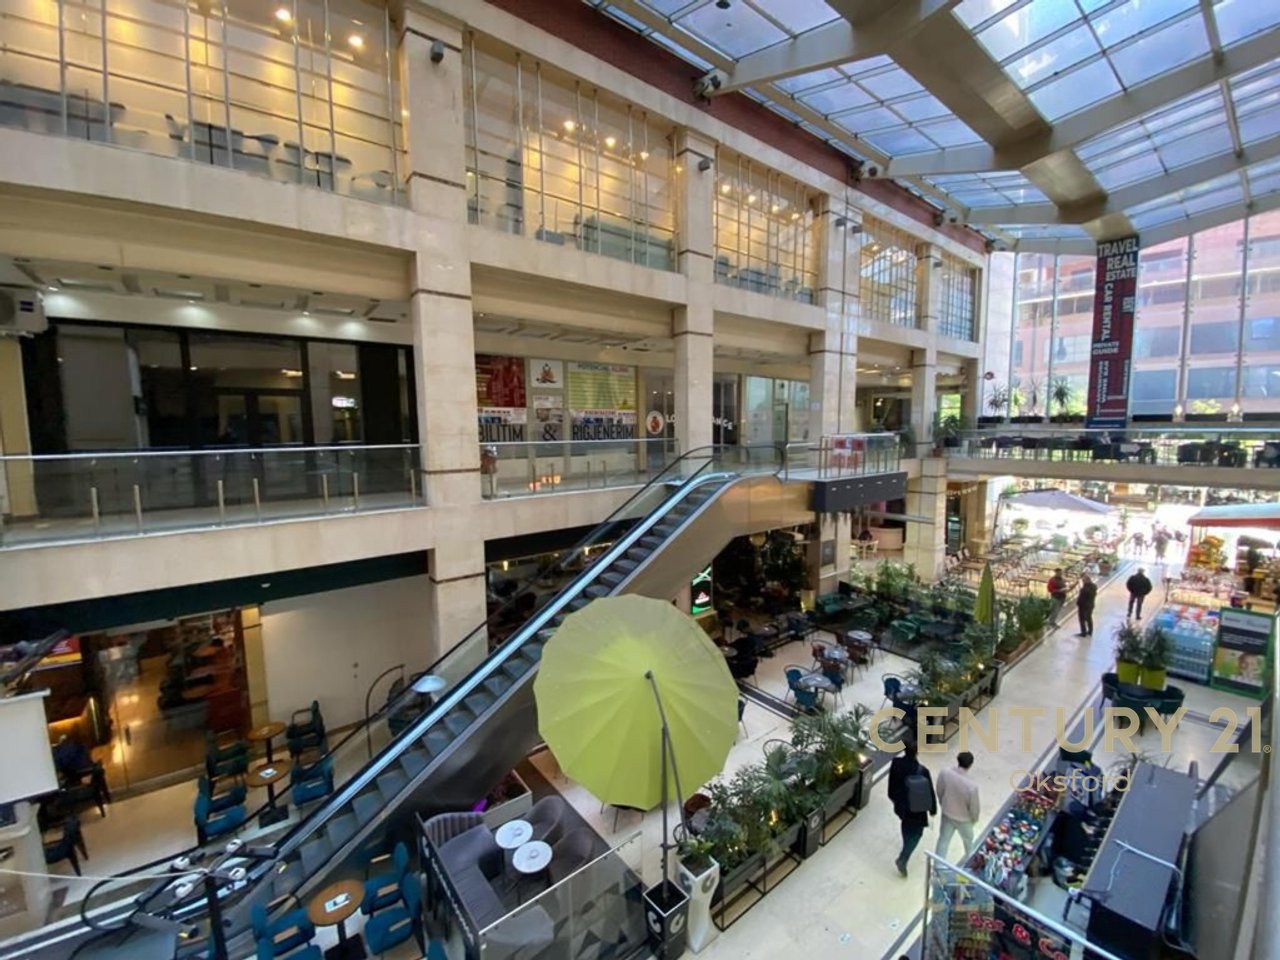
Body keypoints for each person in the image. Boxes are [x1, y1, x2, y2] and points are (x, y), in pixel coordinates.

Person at [887, 739, 936, 878]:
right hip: (917, 809)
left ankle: (905, 849)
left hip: (902, 806)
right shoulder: (922, 771)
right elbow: (930, 791)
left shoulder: (896, 764)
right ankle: (903, 857)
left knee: (906, 826)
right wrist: (932, 809)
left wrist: (894, 799)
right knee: (916, 834)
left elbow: (891, 785)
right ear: (917, 752)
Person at [935, 752, 981, 860]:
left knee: (943, 840)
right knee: (968, 842)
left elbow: (939, 790)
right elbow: (974, 808)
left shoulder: (945, 773)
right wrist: (974, 820)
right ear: (970, 765)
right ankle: (969, 864)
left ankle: (938, 868)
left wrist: (943, 804)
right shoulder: (972, 786)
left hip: (947, 814)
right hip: (964, 820)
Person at [1076, 573, 1097, 638]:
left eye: (1083, 580)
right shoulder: (1093, 586)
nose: (1083, 581)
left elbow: (1084, 596)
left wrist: (1078, 602)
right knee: (1088, 618)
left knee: (1083, 619)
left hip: (1085, 606)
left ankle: (1083, 632)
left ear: (1087, 580)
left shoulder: (1087, 588)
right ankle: (1090, 631)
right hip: (1089, 605)